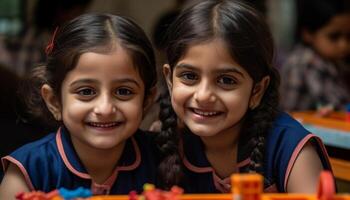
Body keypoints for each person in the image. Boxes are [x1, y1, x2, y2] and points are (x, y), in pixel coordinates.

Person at [156, 0, 332, 193]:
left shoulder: (290, 146)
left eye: (226, 80)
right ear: (170, 81)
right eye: (189, 76)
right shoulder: (165, 140)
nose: (204, 95)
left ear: (257, 91)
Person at [0, 13, 158, 198]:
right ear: (54, 101)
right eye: (86, 92)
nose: (105, 109)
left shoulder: (164, 160)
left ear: (147, 100)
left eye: (123, 91)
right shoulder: (28, 171)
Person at [280, 0, 350, 112]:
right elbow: (336, 105)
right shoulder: (305, 62)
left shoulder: (333, 60)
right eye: (334, 37)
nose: (344, 45)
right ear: (308, 34)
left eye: (348, 36)